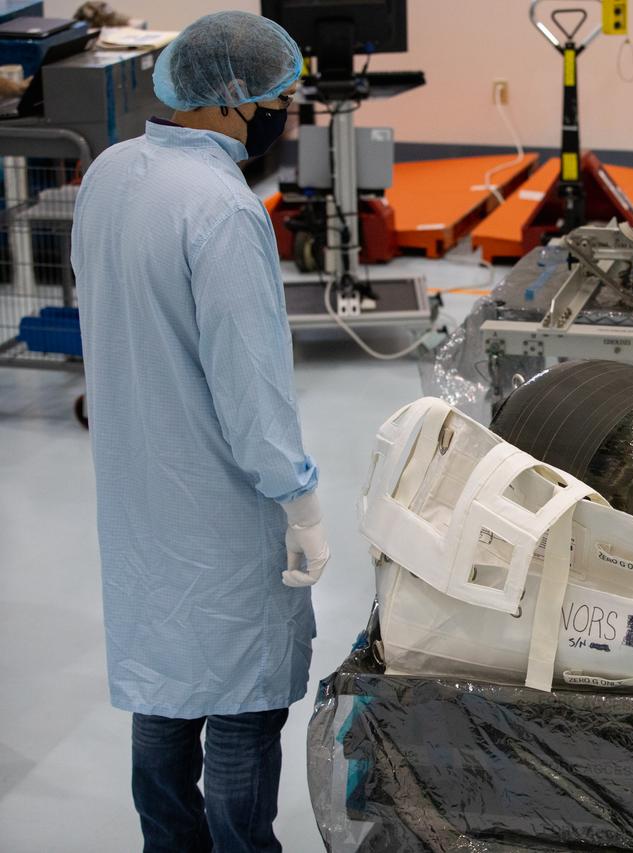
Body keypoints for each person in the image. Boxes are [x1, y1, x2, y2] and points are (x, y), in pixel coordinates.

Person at [71, 12, 329, 852]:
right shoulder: (222, 207)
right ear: (229, 99)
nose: (280, 115)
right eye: (276, 100)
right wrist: (298, 500)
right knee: (242, 703)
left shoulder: (111, 173)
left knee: (166, 684)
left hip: (137, 489)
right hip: (221, 501)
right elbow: (250, 383)